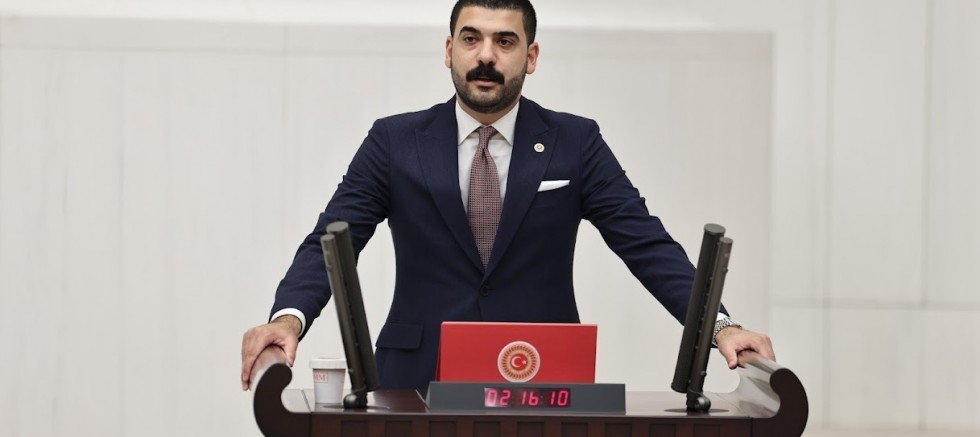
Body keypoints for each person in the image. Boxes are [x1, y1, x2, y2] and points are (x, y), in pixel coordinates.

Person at [241, 0, 775, 392]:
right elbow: (333, 240)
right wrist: (288, 318)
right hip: (415, 381)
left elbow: (646, 243)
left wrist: (720, 327)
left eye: (504, 41)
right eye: (471, 39)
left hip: (542, 376)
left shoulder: (575, 142)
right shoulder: (394, 141)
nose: (485, 56)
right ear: (449, 50)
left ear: (531, 55)